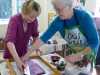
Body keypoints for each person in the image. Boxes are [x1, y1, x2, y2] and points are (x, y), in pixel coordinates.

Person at [3, 0, 41, 72]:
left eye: (35, 17)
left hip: (24, 54)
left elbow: (35, 36)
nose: (33, 19)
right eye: (31, 16)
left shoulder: (34, 21)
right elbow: (10, 42)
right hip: (11, 55)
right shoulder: (14, 20)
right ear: (24, 12)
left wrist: (37, 47)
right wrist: (18, 61)